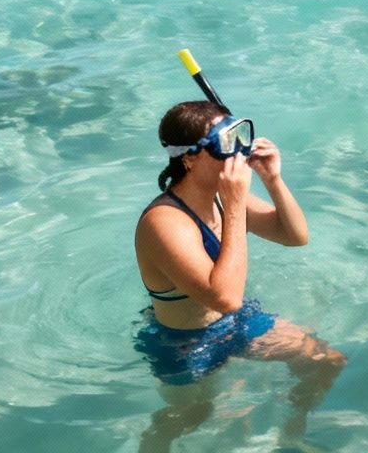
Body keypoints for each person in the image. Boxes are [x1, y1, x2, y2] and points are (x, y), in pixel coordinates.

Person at [133, 101, 344, 452]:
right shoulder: (163, 222)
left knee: (325, 362)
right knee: (193, 416)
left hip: (234, 325)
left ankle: (291, 435)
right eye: (227, 144)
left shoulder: (221, 198)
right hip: (184, 346)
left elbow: (294, 236)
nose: (240, 153)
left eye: (241, 137)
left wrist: (272, 180)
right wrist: (234, 204)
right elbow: (225, 297)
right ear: (190, 158)